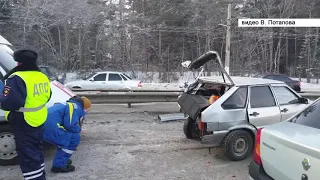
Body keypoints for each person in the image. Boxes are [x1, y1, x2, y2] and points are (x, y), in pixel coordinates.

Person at [0, 49, 52, 180]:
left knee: (28, 156)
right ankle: (41, 176)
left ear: (19, 62)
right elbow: (48, 96)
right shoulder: (42, 76)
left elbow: (10, 102)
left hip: (24, 120)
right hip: (39, 118)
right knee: (37, 152)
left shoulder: (17, 78)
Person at [43, 96, 91, 173]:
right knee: (74, 138)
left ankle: (61, 159)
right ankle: (59, 165)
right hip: (51, 129)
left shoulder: (66, 104)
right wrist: (79, 129)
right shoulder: (75, 108)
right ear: (84, 107)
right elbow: (70, 125)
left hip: (43, 127)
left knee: (66, 136)